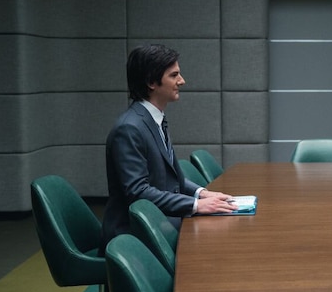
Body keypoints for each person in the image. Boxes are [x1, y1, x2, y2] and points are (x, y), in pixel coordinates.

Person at [101, 44, 237, 249]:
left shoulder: (153, 120)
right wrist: (195, 205)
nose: (182, 81)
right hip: (133, 236)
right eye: (174, 75)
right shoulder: (129, 128)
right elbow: (138, 192)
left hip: (159, 223)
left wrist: (202, 193)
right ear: (151, 82)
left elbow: (170, 178)